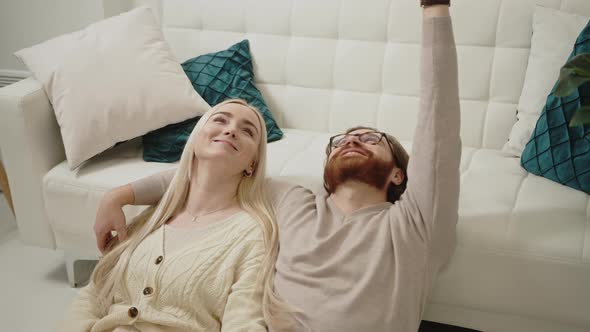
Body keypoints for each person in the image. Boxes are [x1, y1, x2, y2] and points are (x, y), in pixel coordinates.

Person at [94, 2, 460, 331]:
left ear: (398, 174)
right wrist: (119, 195)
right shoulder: (294, 202)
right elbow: (206, 174)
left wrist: (434, 10)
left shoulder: (414, 224)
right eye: (341, 140)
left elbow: (439, 125)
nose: (351, 140)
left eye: (370, 139)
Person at [62, 99, 289, 332]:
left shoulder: (253, 235)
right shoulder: (153, 217)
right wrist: (114, 197)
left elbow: (244, 320)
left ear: (252, 163)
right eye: (220, 120)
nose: (231, 130)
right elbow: (94, 294)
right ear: (195, 140)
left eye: (247, 131)